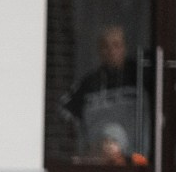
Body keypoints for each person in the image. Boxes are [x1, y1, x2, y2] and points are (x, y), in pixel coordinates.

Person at [61, 24, 144, 162]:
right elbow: (65, 113)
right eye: (105, 46)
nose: (111, 51)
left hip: (134, 166)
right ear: (99, 51)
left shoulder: (140, 79)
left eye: (116, 45)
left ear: (124, 49)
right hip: (98, 165)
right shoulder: (89, 84)